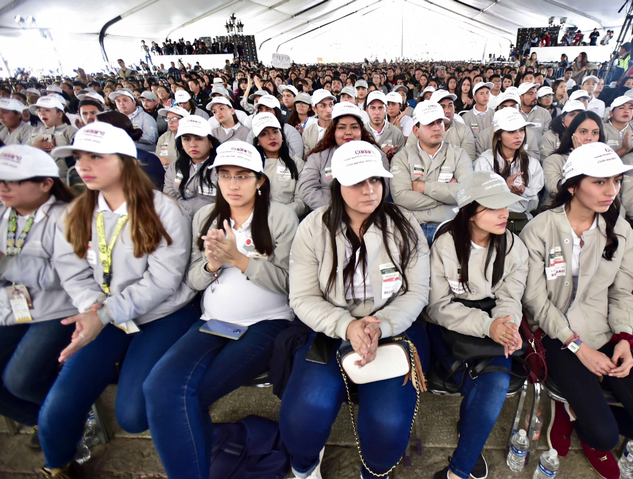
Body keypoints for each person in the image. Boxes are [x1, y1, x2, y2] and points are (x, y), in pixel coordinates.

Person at [41, 122, 197, 478]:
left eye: (96, 156)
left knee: (133, 413)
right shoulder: (77, 210)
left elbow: (163, 281)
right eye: (79, 157)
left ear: (126, 161)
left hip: (162, 313)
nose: (83, 165)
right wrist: (93, 307)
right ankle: (57, 466)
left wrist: (106, 312)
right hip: (104, 312)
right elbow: (73, 272)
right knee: (59, 405)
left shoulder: (163, 210)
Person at [521, 142, 633, 479]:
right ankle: (578, 412)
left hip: (605, 331)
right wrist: (577, 346)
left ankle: (583, 409)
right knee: (603, 434)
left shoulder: (620, 232)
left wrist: (624, 338)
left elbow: (622, 293)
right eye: (600, 182)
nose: (612, 191)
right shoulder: (540, 229)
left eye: (617, 181)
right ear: (572, 185)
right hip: (555, 334)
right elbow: (535, 300)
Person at [144, 141, 298, 479]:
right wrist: (212, 264)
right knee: (157, 386)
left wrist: (239, 260)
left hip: (267, 322)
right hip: (213, 320)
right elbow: (195, 280)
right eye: (225, 176)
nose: (232, 184)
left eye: (242, 176)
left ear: (260, 180)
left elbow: (291, 283)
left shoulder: (281, 217)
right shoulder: (206, 216)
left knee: (189, 396)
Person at [280, 141, 430, 479]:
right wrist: (347, 326)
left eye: (376, 180)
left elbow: (417, 290)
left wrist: (383, 325)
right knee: (304, 413)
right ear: (337, 184)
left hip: (394, 329)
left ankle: (374, 471)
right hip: (331, 328)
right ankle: (305, 465)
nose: (369, 190)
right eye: (358, 182)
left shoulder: (404, 224)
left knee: (387, 424)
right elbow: (302, 296)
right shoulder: (314, 228)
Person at [426, 171, 528, 479]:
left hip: (492, 322)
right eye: (493, 207)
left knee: (494, 382)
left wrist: (508, 326)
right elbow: (437, 307)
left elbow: (511, 296)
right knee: (481, 385)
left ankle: (459, 470)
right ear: (470, 212)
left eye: (506, 205)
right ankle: (470, 438)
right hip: (450, 327)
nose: (504, 214)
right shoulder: (446, 246)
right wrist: (488, 326)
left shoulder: (512, 245)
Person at [0, 145, 77, 436]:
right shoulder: (4, 214)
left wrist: (6, 263)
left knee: (20, 379)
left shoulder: (67, 217)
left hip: (58, 309)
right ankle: (47, 422)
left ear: (46, 184)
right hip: (11, 308)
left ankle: (64, 420)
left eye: (15, 180)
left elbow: (65, 276)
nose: (4, 187)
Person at [390, 101, 474, 243]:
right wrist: (447, 197)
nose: (437, 127)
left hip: (450, 227)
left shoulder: (459, 154)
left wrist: (424, 187)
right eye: (430, 123)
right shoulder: (402, 157)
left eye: (439, 122)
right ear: (416, 131)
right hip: (411, 227)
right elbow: (401, 198)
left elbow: (466, 192)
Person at [299, 102, 388, 211]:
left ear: (361, 130)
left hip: (368, 213)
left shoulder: (376, 154)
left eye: (354, 127)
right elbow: (307, 189)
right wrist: (339, 210)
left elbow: (384, 187)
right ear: (333, 131)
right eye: (341, 127)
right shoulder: (318, 156)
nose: (348, 132)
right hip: (329, 214)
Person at [475, 108, 543, 225]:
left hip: (522, 220)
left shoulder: (532, 164)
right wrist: (504, 187)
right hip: (491, 220)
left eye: (521, 130)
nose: (519, 136)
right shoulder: (484, 162)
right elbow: (479, 199)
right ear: (499, 136)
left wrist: (523, 192)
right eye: (511, 131)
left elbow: (534, 203)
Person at [251, 112, 308, 218]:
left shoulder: (297, 164)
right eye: (264, 133)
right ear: (257, 141)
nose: (272, 137)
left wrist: (279, 214)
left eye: (276, 132)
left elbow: (302, 202)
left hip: (288, 220)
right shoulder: (251, 166)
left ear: (282, 136)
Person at [542, 110, 605, 204]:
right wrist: (579, 157)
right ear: (572, 134)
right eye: (583, 132)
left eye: (595, 133)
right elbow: (557, 191)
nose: (589, 138)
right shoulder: (554, 160)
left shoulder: (605, 161)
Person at [163, 116, 220, 218]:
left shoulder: (221, 167)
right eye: (186, 139)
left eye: (198, 138)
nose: (192, 144)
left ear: (210, 142)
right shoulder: (176, 165)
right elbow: (169, 197)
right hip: (178, 219)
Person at [406, 90, 476, 161]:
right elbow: (409, 158)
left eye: (450, 105)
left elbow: (468, 161)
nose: (448, 111)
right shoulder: (419, 131)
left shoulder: (464, 131)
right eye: (442, 107)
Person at [25, 97, 78, 175]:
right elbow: (24, 154)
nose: (42, 113)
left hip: (63, 177)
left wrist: (57, 152)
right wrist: (35, 147)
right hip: (38, 176)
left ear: (60, 114)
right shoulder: (35, 131)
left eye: (47, 110)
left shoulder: (70, 131)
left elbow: (76, 157)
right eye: (39, 110)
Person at [365, 91, 405, 161]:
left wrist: (393, 157)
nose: (377, 112)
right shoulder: (360, 132)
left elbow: (401, 162)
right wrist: (382, 154)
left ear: (386, 110)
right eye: (373, 108)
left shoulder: (397, 133)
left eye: (380, 108)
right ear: (367, 110)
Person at [302, 89, 334, 157]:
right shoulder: (308, 133)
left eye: (331, 105)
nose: (328, 110)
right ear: (314, 109)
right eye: (323, 106)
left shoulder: (340, 129)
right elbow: (307, 157)